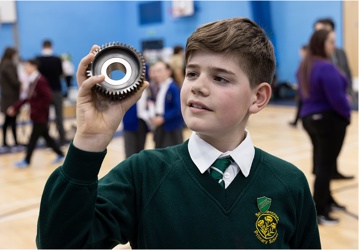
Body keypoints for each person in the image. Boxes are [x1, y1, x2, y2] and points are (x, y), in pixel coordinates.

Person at [36, 17, 321, 249]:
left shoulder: (289, 183)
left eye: (220, 78)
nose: (197, 86)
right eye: (192, 73)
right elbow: (59, 244)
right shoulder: (143, 174)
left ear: (258, 98)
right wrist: (88, 142)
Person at [297, 29, 351, 225]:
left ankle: (327, 200)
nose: (333, 46)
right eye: (330, 42)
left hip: (310, 119)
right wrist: (346, 115)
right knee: (325, 166)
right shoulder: (325, 67)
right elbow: (337, 98)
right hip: (328, 120)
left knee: (322, 162)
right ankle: (319, 210)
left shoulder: (305, 65)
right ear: (321, 44)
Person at [313, 18, 354, 180]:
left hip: (339, 103)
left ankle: (331, 172)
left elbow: (347, 73)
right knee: (323, 149)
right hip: (327, 108)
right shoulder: (316, 59)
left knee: (331, 148)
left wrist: (348, 93)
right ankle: (321, 174)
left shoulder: (339, 52)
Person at [7, 59, 64, 168]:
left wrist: (37, 109)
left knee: (33, 139)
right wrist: (15, 107)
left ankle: (27, 160)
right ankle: (60, 154)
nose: (25, 68)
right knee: (46, 136)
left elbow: (47, 96)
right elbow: (27, 98)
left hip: (40, 115)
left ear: (34, 67)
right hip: (37, 115)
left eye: (27, 66)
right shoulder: (33, 80)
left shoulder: (40, 80)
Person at [36, 39, 67, 146]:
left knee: (45, 118)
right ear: (52, 47)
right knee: (59, 117)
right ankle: (62, 139)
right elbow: (61, 73)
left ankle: (47, 140)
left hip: (43, 93)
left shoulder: (37, 59)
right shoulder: (57, 59)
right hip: (56, 91)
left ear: (42, 47)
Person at [149, 60, 184, 148]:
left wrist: (163, 118)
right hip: (161, 126)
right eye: (155, 71)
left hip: (171, 128)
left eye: (159, 71)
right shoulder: (159, 86)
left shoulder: (173, 87)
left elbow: (177, 108)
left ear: (168, 71)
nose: (157, 74)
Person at [0, 47, 22, 152]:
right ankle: (14, 143)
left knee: (7, 121)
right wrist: (21, 83)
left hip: (7, 96)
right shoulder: (8, 65)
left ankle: (5, 143)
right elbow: (14, 81)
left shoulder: (2, 64)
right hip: (11, 97)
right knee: (12, 120)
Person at [289, 45, 307, 127]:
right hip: (302, 87)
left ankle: (299, 121)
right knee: (300, 105)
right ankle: (297, 121)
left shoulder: (307, 62)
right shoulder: (302, 62)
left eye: (301, 51)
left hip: (305, 88)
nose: (300, 53)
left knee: (302, 105)